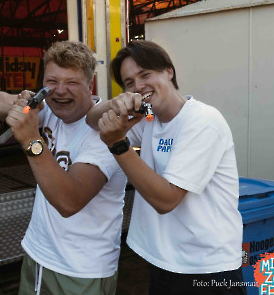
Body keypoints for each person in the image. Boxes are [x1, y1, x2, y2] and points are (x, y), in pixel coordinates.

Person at [86, 40, 246, 295]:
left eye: (145, 74)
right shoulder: (149, 119)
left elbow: (166, 199)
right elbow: (92, 120)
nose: (139, 86)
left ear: (168, 71)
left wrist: (118, 144)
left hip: (206, 269)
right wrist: (117, 102)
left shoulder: (203, 121)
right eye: (129, 82)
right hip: (164, 262)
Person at [0, 41, 126, 295]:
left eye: (71, 82)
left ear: (89, 85)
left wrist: (31, 140)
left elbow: (69, 201)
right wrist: (21, 101)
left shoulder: (105, 131)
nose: (60, 91)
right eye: (52, 81)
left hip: (81, 270)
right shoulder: (45, 110)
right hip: (38, 255)